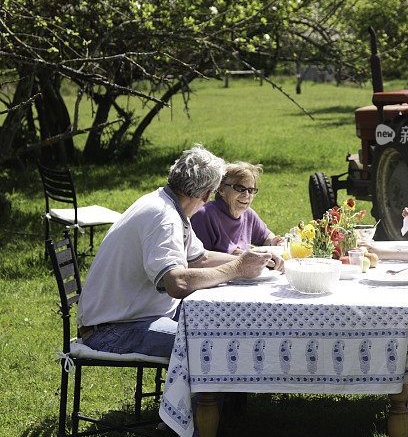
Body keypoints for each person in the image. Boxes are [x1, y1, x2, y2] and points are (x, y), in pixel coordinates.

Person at [77, 145, 284, 360]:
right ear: (207, 195)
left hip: (132, 318)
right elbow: (177, 283)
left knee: (226, 326)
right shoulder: (164, 218)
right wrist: (238, 268)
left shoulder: (167, 204)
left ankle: (216, 393)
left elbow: (200, 258)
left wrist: (249, 259)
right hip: (113, 330)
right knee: (215, 343)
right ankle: (210, 395)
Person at [191, 161, 283, 254]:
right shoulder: (204, 216)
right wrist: (233, 259)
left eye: (251, 190)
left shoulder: (248, 214)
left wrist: (273, 242)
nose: (246, 195)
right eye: (239, 188)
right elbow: (197, 260)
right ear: (221, 189)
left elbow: (266, 237)